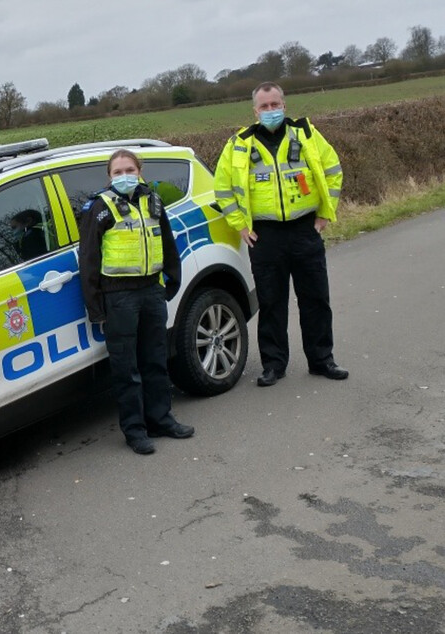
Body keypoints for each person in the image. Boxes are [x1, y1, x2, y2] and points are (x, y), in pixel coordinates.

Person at [214, 82, 348, 387]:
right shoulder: (239, 144)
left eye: (275, 105)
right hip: (265, 236)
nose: (271, 111)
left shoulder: (307, 134)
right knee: (272, 303)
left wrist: (326, 212)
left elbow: (333, 170)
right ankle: (274, 365)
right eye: (265, 107)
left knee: (316, 299)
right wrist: (241, 225)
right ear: (255, 111)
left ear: (284, 106)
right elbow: (223, 189)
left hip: (305, 230)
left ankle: (322, 360)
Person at [79, 149, 195, 455]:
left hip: (151, 291)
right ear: (109, 176)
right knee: (126, 368)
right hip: (119, 298)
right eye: (117, 172)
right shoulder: (99, 208)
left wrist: (172, 281)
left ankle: (161, 419)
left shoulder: (152, 201)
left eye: (129, 169)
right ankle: (135, 430)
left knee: (156, 360)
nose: (124, 176)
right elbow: (88, 260)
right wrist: (96, 307)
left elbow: (167, 243)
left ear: (140, 171)